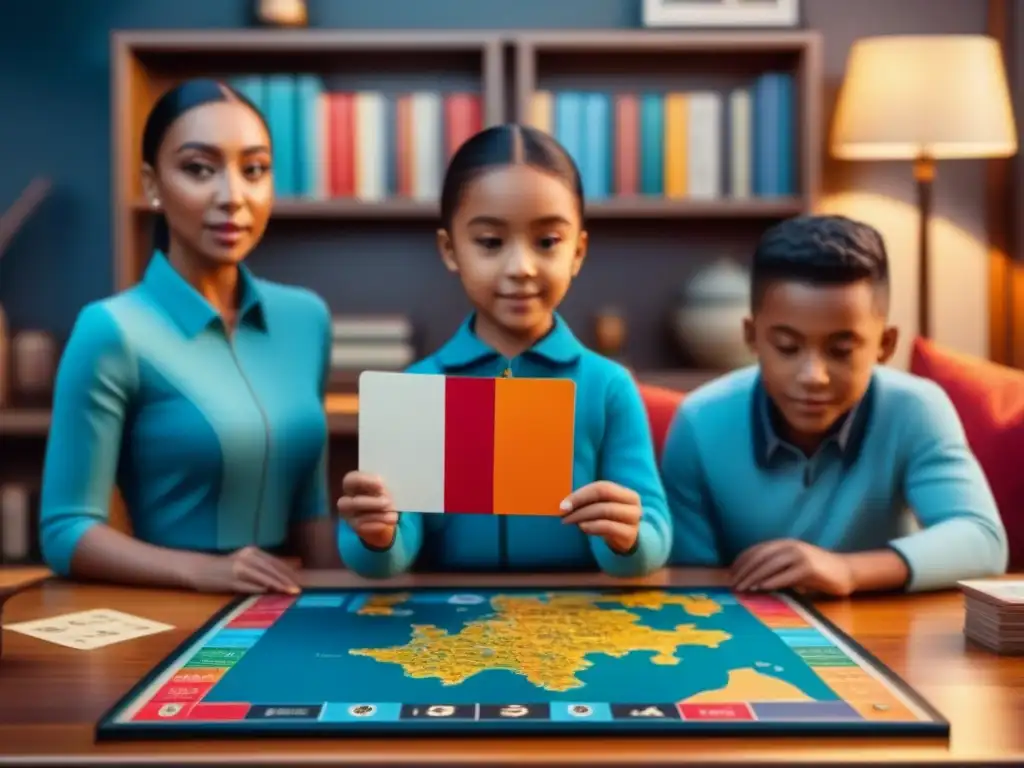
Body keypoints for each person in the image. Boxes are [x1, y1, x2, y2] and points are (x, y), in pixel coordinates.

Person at [38, 79, 340, 593]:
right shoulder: (111, 330)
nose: (232, 197)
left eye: (254, 170)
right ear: (152, 185)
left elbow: (310, 511)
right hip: (173, 608)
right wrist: (204, 571)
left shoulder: (305, 318)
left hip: (286, 605)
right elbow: (66, 531)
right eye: (199, 169)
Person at [335, 124, 671, 578]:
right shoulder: (418, 389)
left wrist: (629, 537)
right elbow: (393, 546)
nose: (521, 268)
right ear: (450, 249)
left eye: (547, 242)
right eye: (491, 242)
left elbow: (654, 531)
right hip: (446, 625)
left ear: (577, 251)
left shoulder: (608, 387)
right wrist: (377, 536)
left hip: (572, 623)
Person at [662, 214, 1008, 595]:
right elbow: (690, 578)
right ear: (752, 337)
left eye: (841, 350)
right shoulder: (698, 423)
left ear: (885, 345)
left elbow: (983, 540)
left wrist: (848, 570)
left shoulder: (916, 409)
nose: (813, 375)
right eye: (787, 348)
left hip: (879, 633)